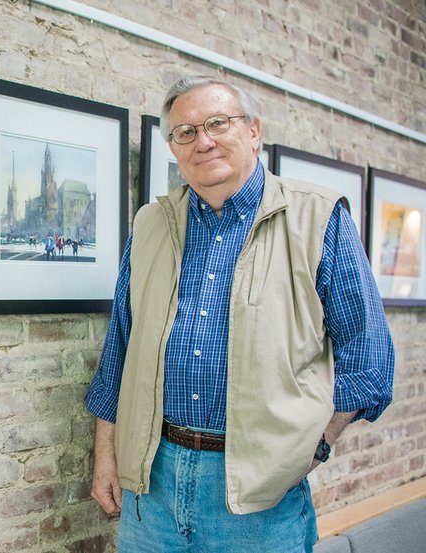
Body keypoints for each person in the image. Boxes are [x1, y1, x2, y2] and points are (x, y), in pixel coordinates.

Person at [85, 75, 394, 553]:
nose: (202, 141)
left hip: (258, 500)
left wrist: (312, 449)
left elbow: (367, 359)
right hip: (153, 484)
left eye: (217, 123)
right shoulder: (150, 224)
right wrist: (106, 455)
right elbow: (120, 352)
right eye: (185, 132)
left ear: (253, 131)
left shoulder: (318, 218)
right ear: (173, 147)